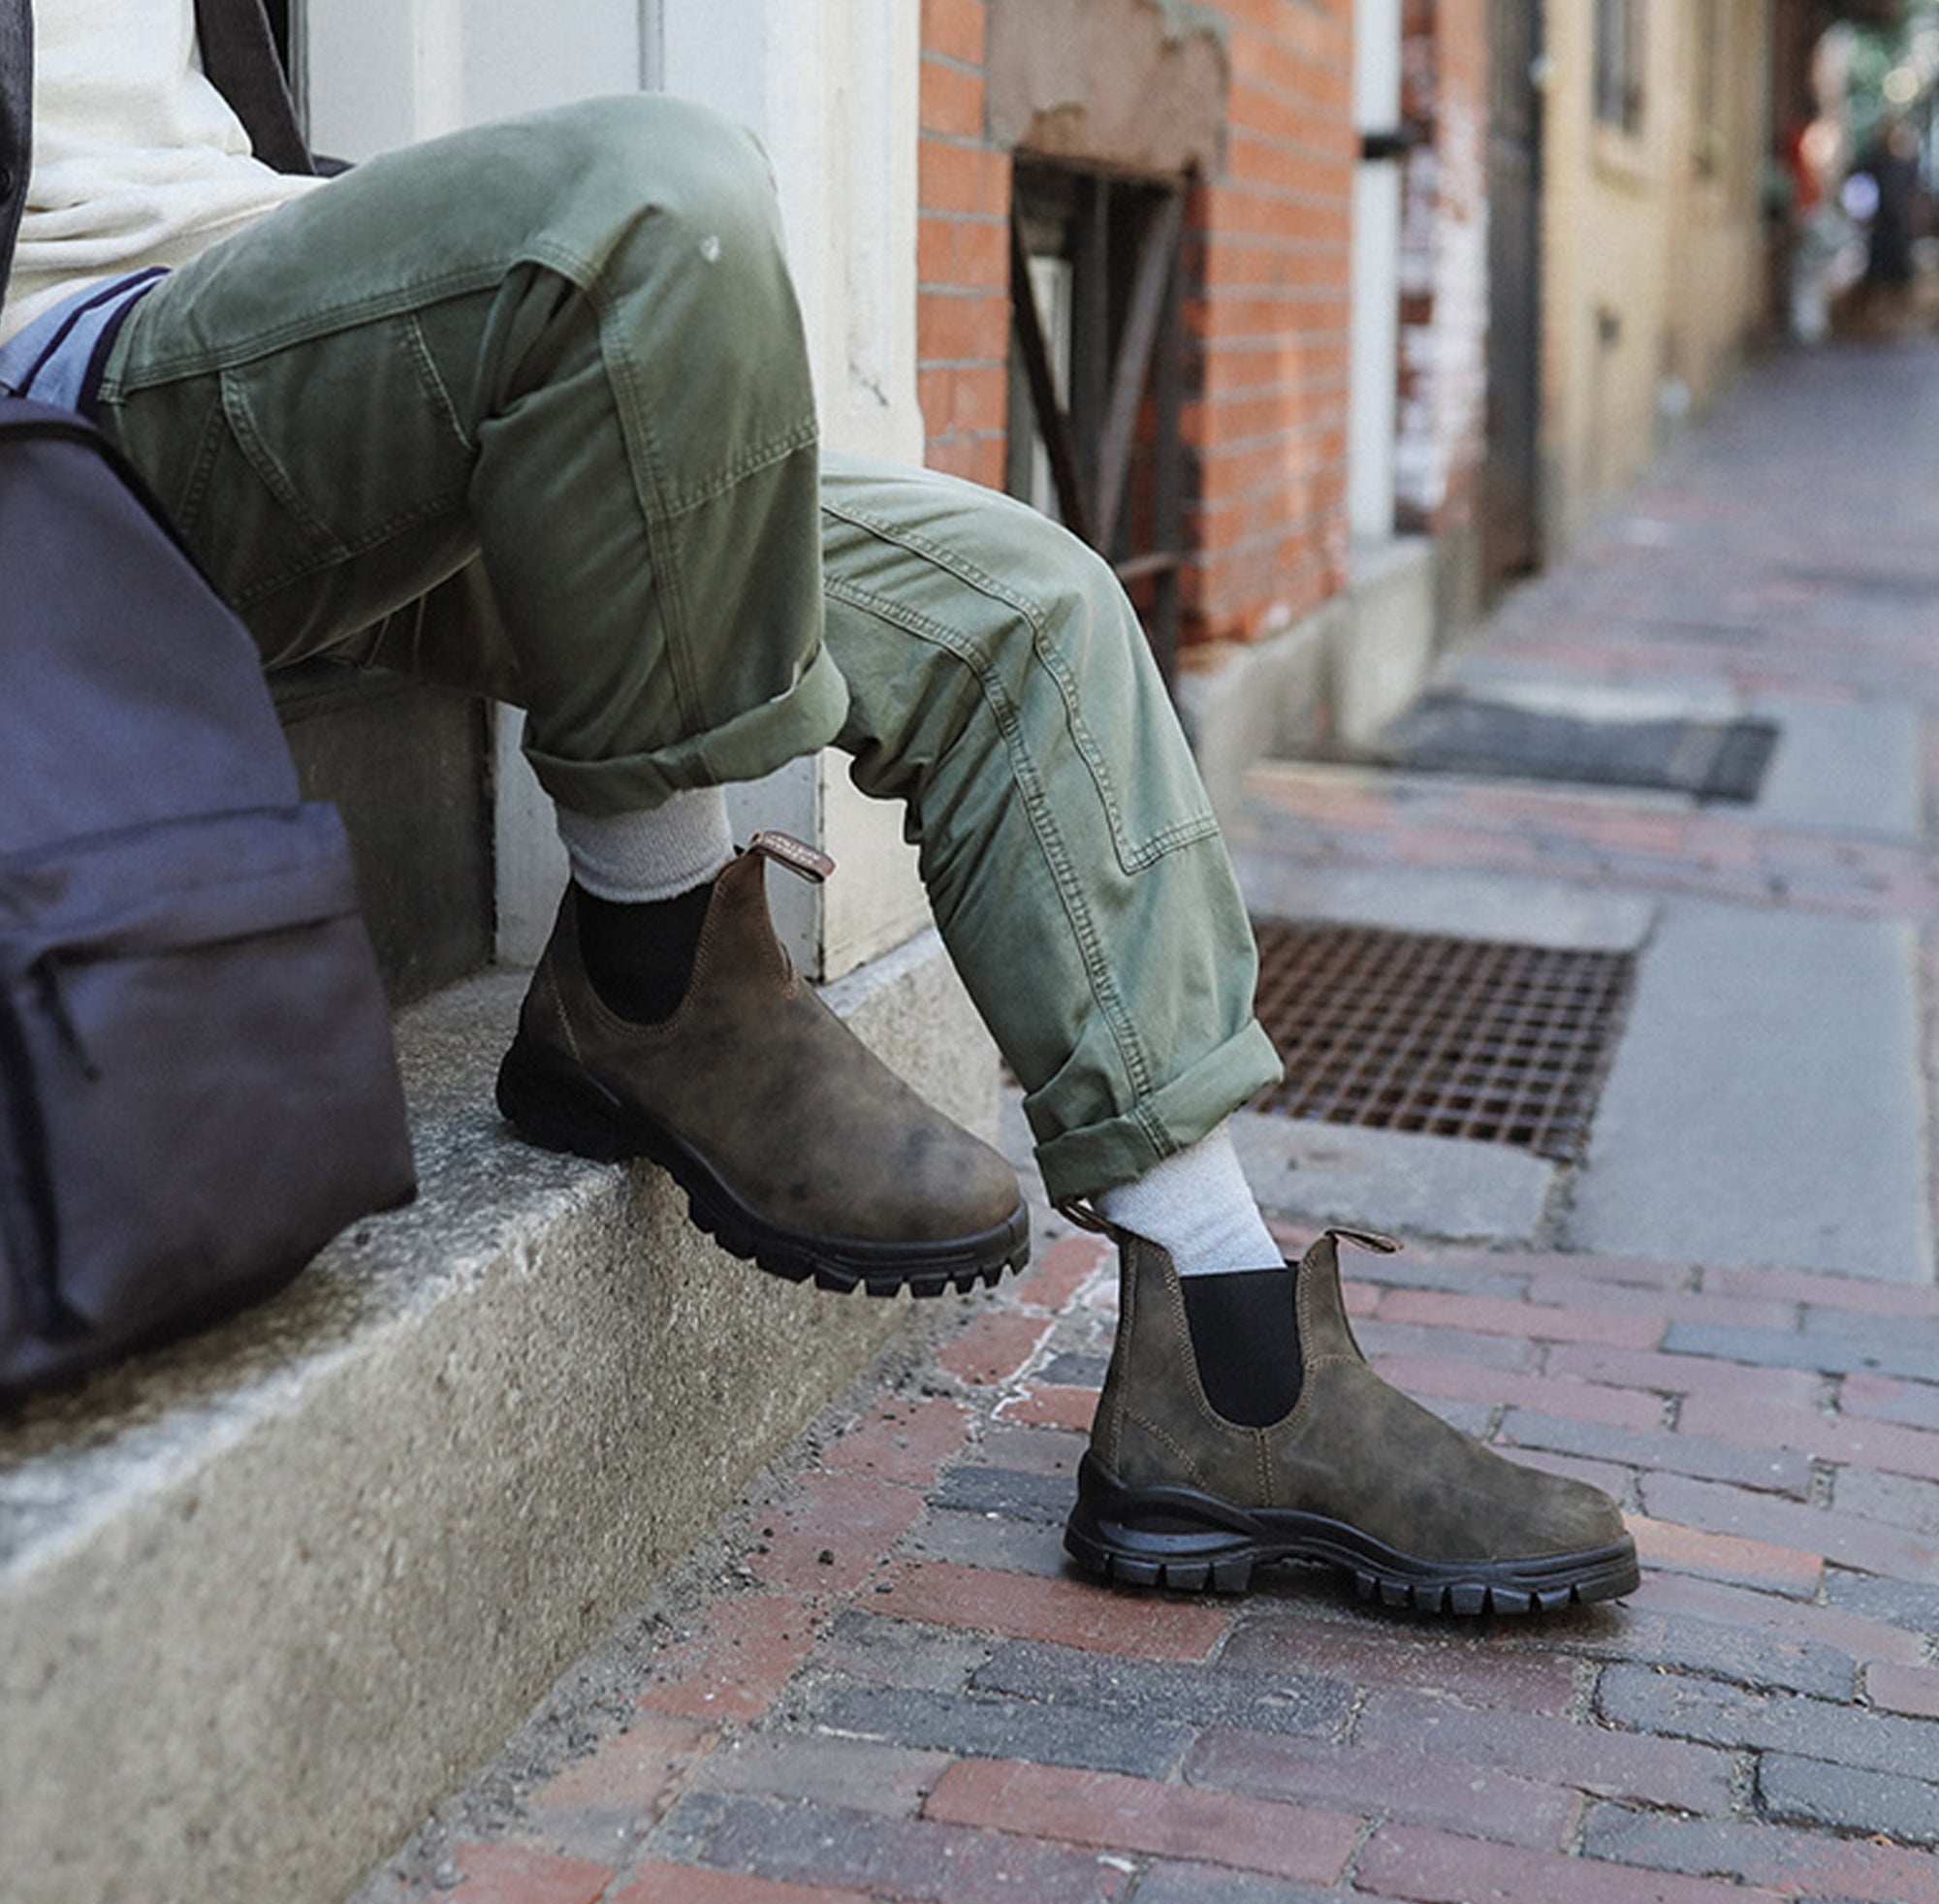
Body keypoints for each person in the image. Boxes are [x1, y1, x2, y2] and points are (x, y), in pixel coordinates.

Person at [0, 0, 1637, 1614]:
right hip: (81, 421)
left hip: (282, 324)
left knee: (1031, 606)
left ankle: (1231, 1370)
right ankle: (657, 965)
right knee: (655, 190)